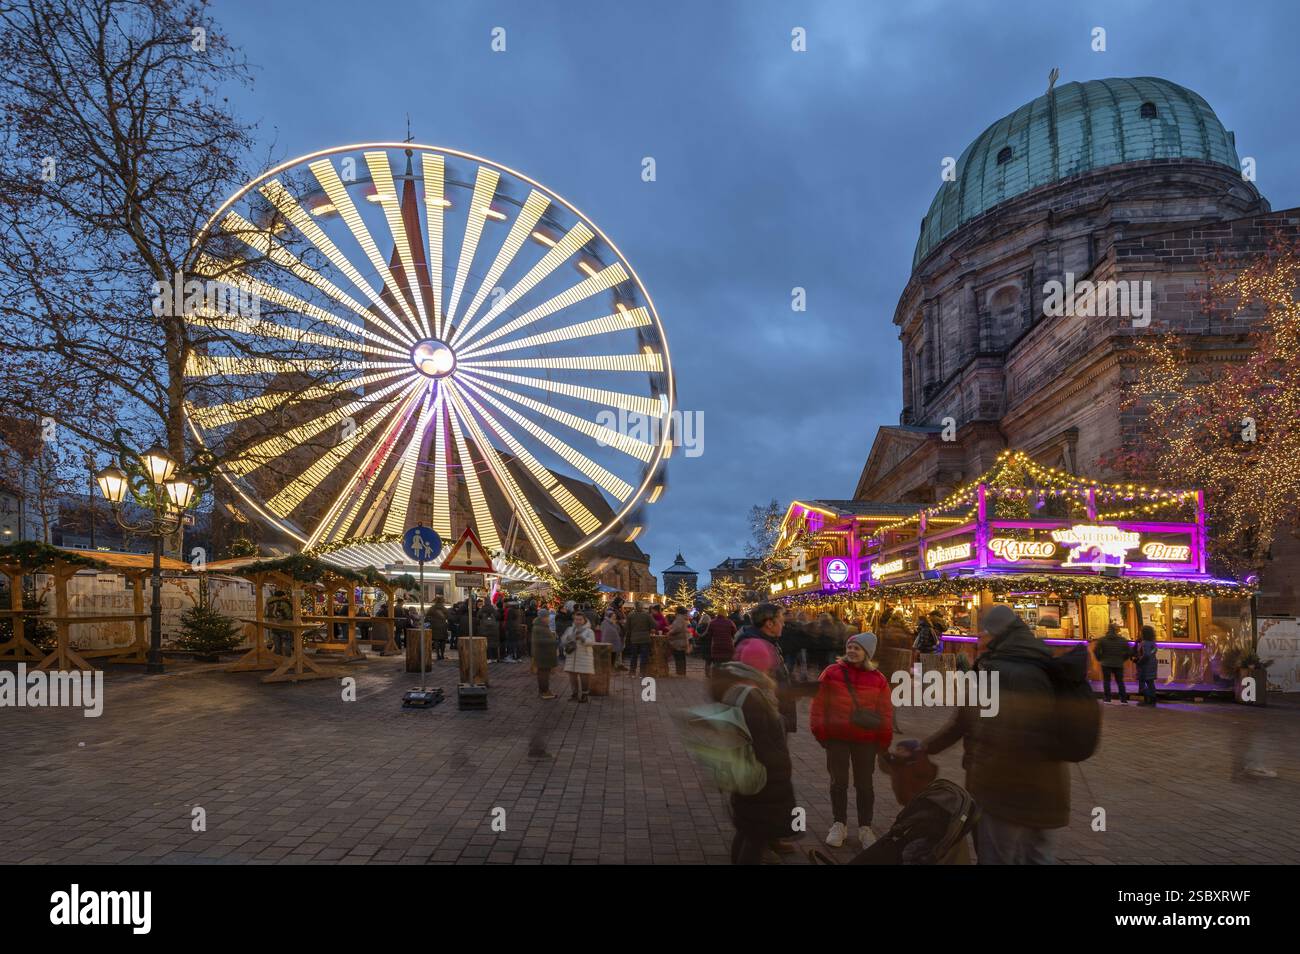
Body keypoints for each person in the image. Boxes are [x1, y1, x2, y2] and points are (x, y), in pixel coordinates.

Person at [919, 604, 1074, 865]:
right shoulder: (1045, 661)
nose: (977, 640)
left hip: (1004, 787)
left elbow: (963, 722)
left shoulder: (993, 671)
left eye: (982, 635)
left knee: (996, 856)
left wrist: (924, 748)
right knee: (1038, 856)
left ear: (995, 635)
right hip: (1050, 786)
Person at [810, 632, 893, 849]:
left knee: (865, 784)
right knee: (839, 782)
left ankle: (865, 827)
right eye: (850, 647)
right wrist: (820, 731)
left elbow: (885, 712)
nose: (852, 651)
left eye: (857, 648)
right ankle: (839, 824)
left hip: (865, 740)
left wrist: (883, 741)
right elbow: (818, 703)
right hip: (837, 737)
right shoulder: (832, 672)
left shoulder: (878, 679)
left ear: (867, 653)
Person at [711, 661, 797, 865]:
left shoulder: (735, 694)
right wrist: (781, 767)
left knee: (747, 829)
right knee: (755, 835)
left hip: (744, 772)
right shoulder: (751, 697)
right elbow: (762, 743)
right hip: (762, 777)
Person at [733, 603, 797, 735]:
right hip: (766, 722)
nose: (783, 624)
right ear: (769, 624)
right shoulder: (756, 647)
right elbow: (757, 691)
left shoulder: (764, 642)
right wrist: (776, 720)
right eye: (780, 620)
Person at [562, 610, 596, 702]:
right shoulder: (570, 629)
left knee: (584, 677)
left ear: (584, 620)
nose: (578, 621)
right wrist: (568, 639)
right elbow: (563, 640)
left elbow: (592, 642)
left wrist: (582, 638)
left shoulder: (589, 631)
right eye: (576, 619)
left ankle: (585, 695)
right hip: (572, 657)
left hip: (584, 657)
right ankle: (574, 694)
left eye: (580, 619)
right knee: (572, 678)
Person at [1093, 621, 1131, 704]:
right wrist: (1123, 659)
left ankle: (1107, 698)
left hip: (1106, 663)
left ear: (1108, 630)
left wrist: (1100, 659)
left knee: (1107, 681)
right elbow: (1128, 652)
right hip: (1118, 663)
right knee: (1120, 681)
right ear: (1116, 630)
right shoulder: (1122, 640)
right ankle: (1123, 699)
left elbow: (1096, 651)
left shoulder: (1102, 640)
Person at [532, 606, 558, 699]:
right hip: (543, 654)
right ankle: (544, 691)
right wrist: (554, 641)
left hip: (544, 654)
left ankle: (543, 691)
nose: (548, 619)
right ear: (543, 618)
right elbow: (540, 641)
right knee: (544, 674)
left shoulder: (541, 626)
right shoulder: (539, 627)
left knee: (543, 673)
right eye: (547, 617)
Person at [625, 602, 654, 676]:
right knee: (643, 656)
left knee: (633, 656)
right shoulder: (647, 615)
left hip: (634, 638)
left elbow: (627, 627)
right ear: (642, 607)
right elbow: (654, 624)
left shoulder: (630, 615)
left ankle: (632, 671)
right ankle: (642, 672)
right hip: (645, 638)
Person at [1134, 625, 1159, 707]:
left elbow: (1146, 655)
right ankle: (1152, 700)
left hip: (1145, 666)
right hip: (1152, 664)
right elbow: (1151, 653)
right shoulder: (1153, 642)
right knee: (1150, 683)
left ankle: (1147, 699)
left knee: (1142, 683)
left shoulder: (1145, 643)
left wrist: (1139, 662)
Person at [267, 587, 293, 657]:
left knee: (277, 644)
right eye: (284, 595)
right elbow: (289, 615)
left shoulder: (270, 603)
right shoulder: (284, 603)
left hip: (274, 626)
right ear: (282, 596)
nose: (286, 596)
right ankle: (288, 660)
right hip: (285, 626)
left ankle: (278, 660)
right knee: (287, 643)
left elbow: (266, 615)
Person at [667, 606, 691, 676]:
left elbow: (677, 628)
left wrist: (670, 632)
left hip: (678, 641)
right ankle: (682, 671)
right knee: (681, 657)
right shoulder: (683, 618)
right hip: (682, 640)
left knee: (679, 657)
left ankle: (680, 672)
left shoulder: (679, 618)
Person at [427, 596, 449, 660]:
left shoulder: (432, 608)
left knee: (436, 640)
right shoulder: (444, 608)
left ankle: (437, 654)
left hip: (434, 626)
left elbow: (427, 616)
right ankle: (442, 655)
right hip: (443, 626)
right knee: (443, 641)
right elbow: (448, 617)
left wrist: (432, 620)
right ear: (442, 601)